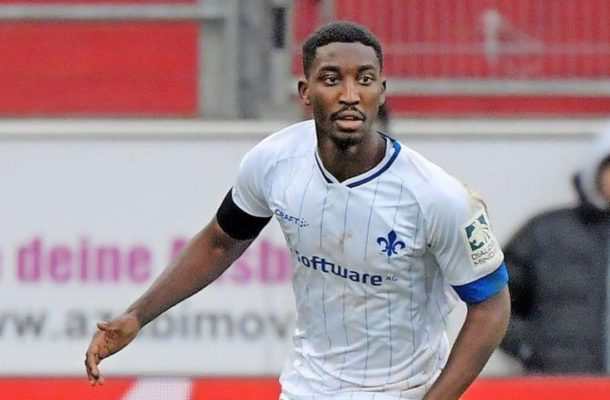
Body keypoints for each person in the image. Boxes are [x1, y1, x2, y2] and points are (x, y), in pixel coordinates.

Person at [85, 21, 510, 400]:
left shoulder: (439, 197)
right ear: (306, 92)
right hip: (307, 387)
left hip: (402, 391)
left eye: (364, 80)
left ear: (381, 92)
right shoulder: (274, 161)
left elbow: (491, 307)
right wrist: (137, 315)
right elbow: (219, 243)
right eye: (331, 79)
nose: (349, 95)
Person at [500, 131, 610, 374]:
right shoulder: (545, 233)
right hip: (559, 384)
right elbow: (494, 299)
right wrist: (529, 349)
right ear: (596, 171)